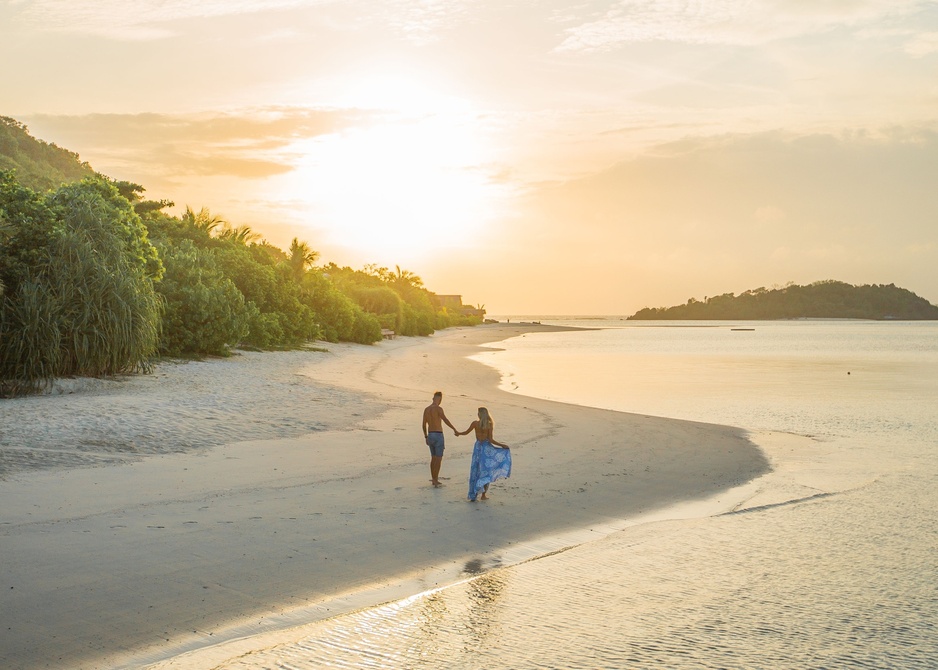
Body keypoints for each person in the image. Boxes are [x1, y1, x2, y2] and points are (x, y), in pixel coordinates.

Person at [456, 407, 512, 502]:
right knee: (486, 470)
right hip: (486, 448)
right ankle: (483, 494)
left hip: (478, 447)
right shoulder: (489, 425)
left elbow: (466, 432)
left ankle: (473, 494)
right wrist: (502, 445)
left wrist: (458, 433)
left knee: (475, 469)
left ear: (480, 414)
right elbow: (491, 439)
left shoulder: (475, 423)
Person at [422, 391, 457, 488]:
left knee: (433, 458)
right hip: (438, 434)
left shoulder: (427, 409)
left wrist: (425, 436)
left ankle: (434, 479)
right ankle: (435, 479)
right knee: (438, 458)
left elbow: (423, 424)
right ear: (440, 399)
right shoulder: (439, 409)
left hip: (430, 434)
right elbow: (445, 420)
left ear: (433, 398)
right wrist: (454, 429)